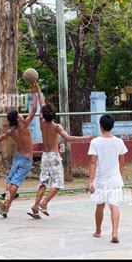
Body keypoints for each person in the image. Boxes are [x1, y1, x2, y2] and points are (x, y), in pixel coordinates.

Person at [28, 88, 92, 219]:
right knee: (58, 183)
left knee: (43, 182)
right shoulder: (56, 127)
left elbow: (42, 104)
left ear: (43, 115)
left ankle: (35, 206)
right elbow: (68, 138)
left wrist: (37, 91)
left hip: (45, 156)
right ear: (54, 115)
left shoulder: (41, 122)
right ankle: (44, 203)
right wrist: (86, 139)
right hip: (54, 157)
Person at [0, 84, 39, 218]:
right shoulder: (24, 126)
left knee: (10, 180)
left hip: (17, 157)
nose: (21, 114)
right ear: (18, 118)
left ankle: (6, 207)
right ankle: (7, 201)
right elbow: (34, 109)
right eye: (19, 113)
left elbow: (0, 138)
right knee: (15, 183)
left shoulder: (12, 131)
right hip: (26, 160)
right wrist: (34, 93)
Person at [88, 114, 128, 244]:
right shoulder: (119, 142)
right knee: (114, 206)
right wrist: (120, 175)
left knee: (100, 206)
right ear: (112, 126)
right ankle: (115, 232)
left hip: (100, 180)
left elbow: (93, 163)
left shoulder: (95, 142)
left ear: (100, 127)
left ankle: (98, 231)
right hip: (115, 180)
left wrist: (90, 181)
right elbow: (122, 162)